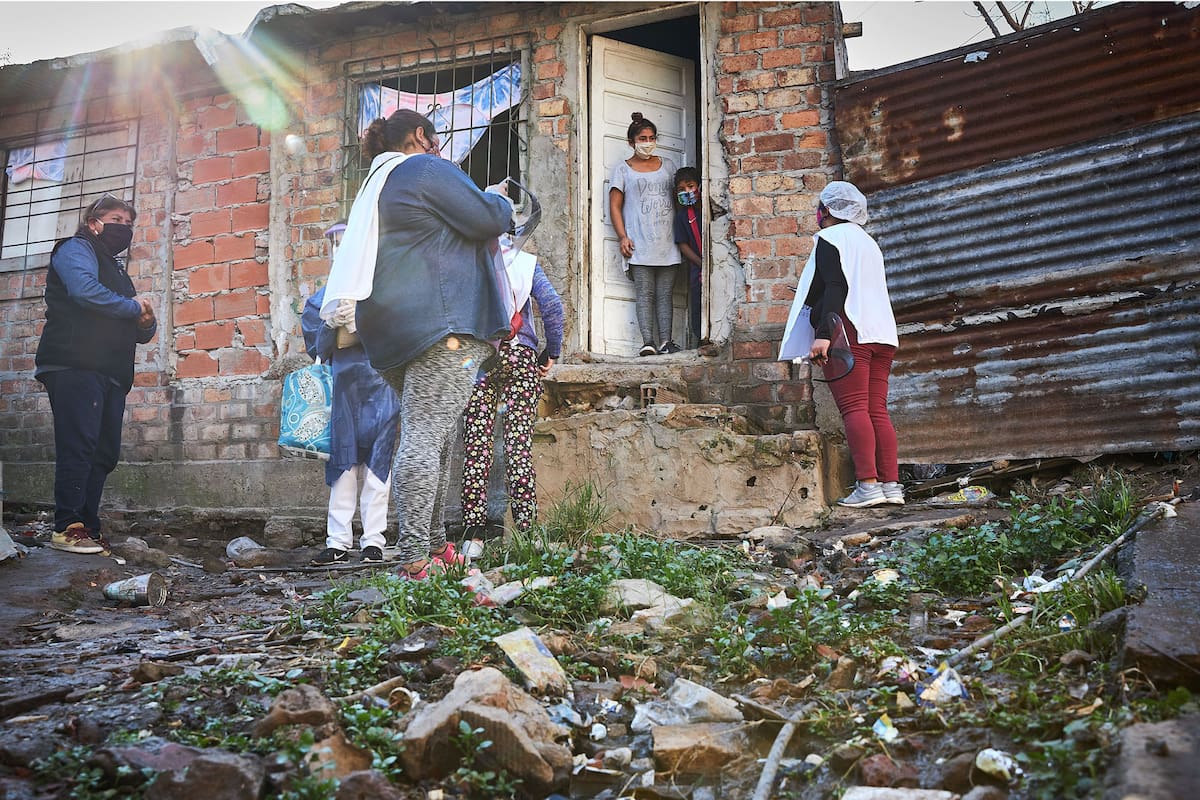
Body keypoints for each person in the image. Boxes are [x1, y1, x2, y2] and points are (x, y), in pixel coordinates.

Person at [320, 109, 514, 581]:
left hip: (390, 330)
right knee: (427, 434)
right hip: (441, 325)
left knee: (438, 429)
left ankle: (433, 543)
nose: (441, 148)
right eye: (437, 139)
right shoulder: (422, 168)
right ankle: (412, 555)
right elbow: (485, 218)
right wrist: (499, 201)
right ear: (421, 136)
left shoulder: (377, 184)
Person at [35, 195, 157, 554]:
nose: (125, 227)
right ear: (94, 222)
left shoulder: (117, 271)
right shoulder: (75, 249)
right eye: (116, 218)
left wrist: (145, 322)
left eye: (130, 222)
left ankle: (87, 525)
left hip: (111, 371)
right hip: (76, 363)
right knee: (80, 445)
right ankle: (67, 526)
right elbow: (84, 292)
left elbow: (139, 329)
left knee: (104, 452)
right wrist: (134, 307)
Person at [781, 181, 902, 508]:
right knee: (877, 409)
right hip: (882, 335)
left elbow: (836, 286)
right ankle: (891, 486)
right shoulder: (869, 243)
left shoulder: (830, 238)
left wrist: (823, 333)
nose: (818, 213)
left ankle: (867, 485)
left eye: (821, 207)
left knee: (854, 409)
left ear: (830, 210)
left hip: (848, 331)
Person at [459, 259, 564, 557]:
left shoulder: (469, 258)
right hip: (521, 356)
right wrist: (551, 351)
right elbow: (553, 306)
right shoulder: (527, 262)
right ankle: (527, 532)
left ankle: (473, 539)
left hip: (479, 356)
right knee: (518, 445)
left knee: (477, 447)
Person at [301, 280, 401, 566]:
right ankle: (338, 541)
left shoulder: (384, 288)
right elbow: (316, 346)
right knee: (341, 464)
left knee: (378, 465)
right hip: (342, 387)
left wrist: (368, 323)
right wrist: (330, 324)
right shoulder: (328, 292)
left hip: (381, 385)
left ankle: (373, 540)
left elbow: (405, 332)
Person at [608, 112, 682, 357]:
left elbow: (679, 198)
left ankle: (666, 342)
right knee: (645, 293)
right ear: (631, 142)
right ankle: (648, 342)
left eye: (651, 138)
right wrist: (622, 236)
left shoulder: (669, 166)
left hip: (667, 241)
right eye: (642, 138)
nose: (647, 142)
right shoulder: (622, 170)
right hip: (639, 243)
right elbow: (615, 206)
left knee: (665, 294)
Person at [673, 166, 706, 348]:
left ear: (699, 186)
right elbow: (683, 245)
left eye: (691, 186)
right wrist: (701, 263)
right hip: (697, 270)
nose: (687, 192)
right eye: (681, 189)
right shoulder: (682, 217)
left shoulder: (709, 210)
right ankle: (700, 340)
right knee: (698, 307)